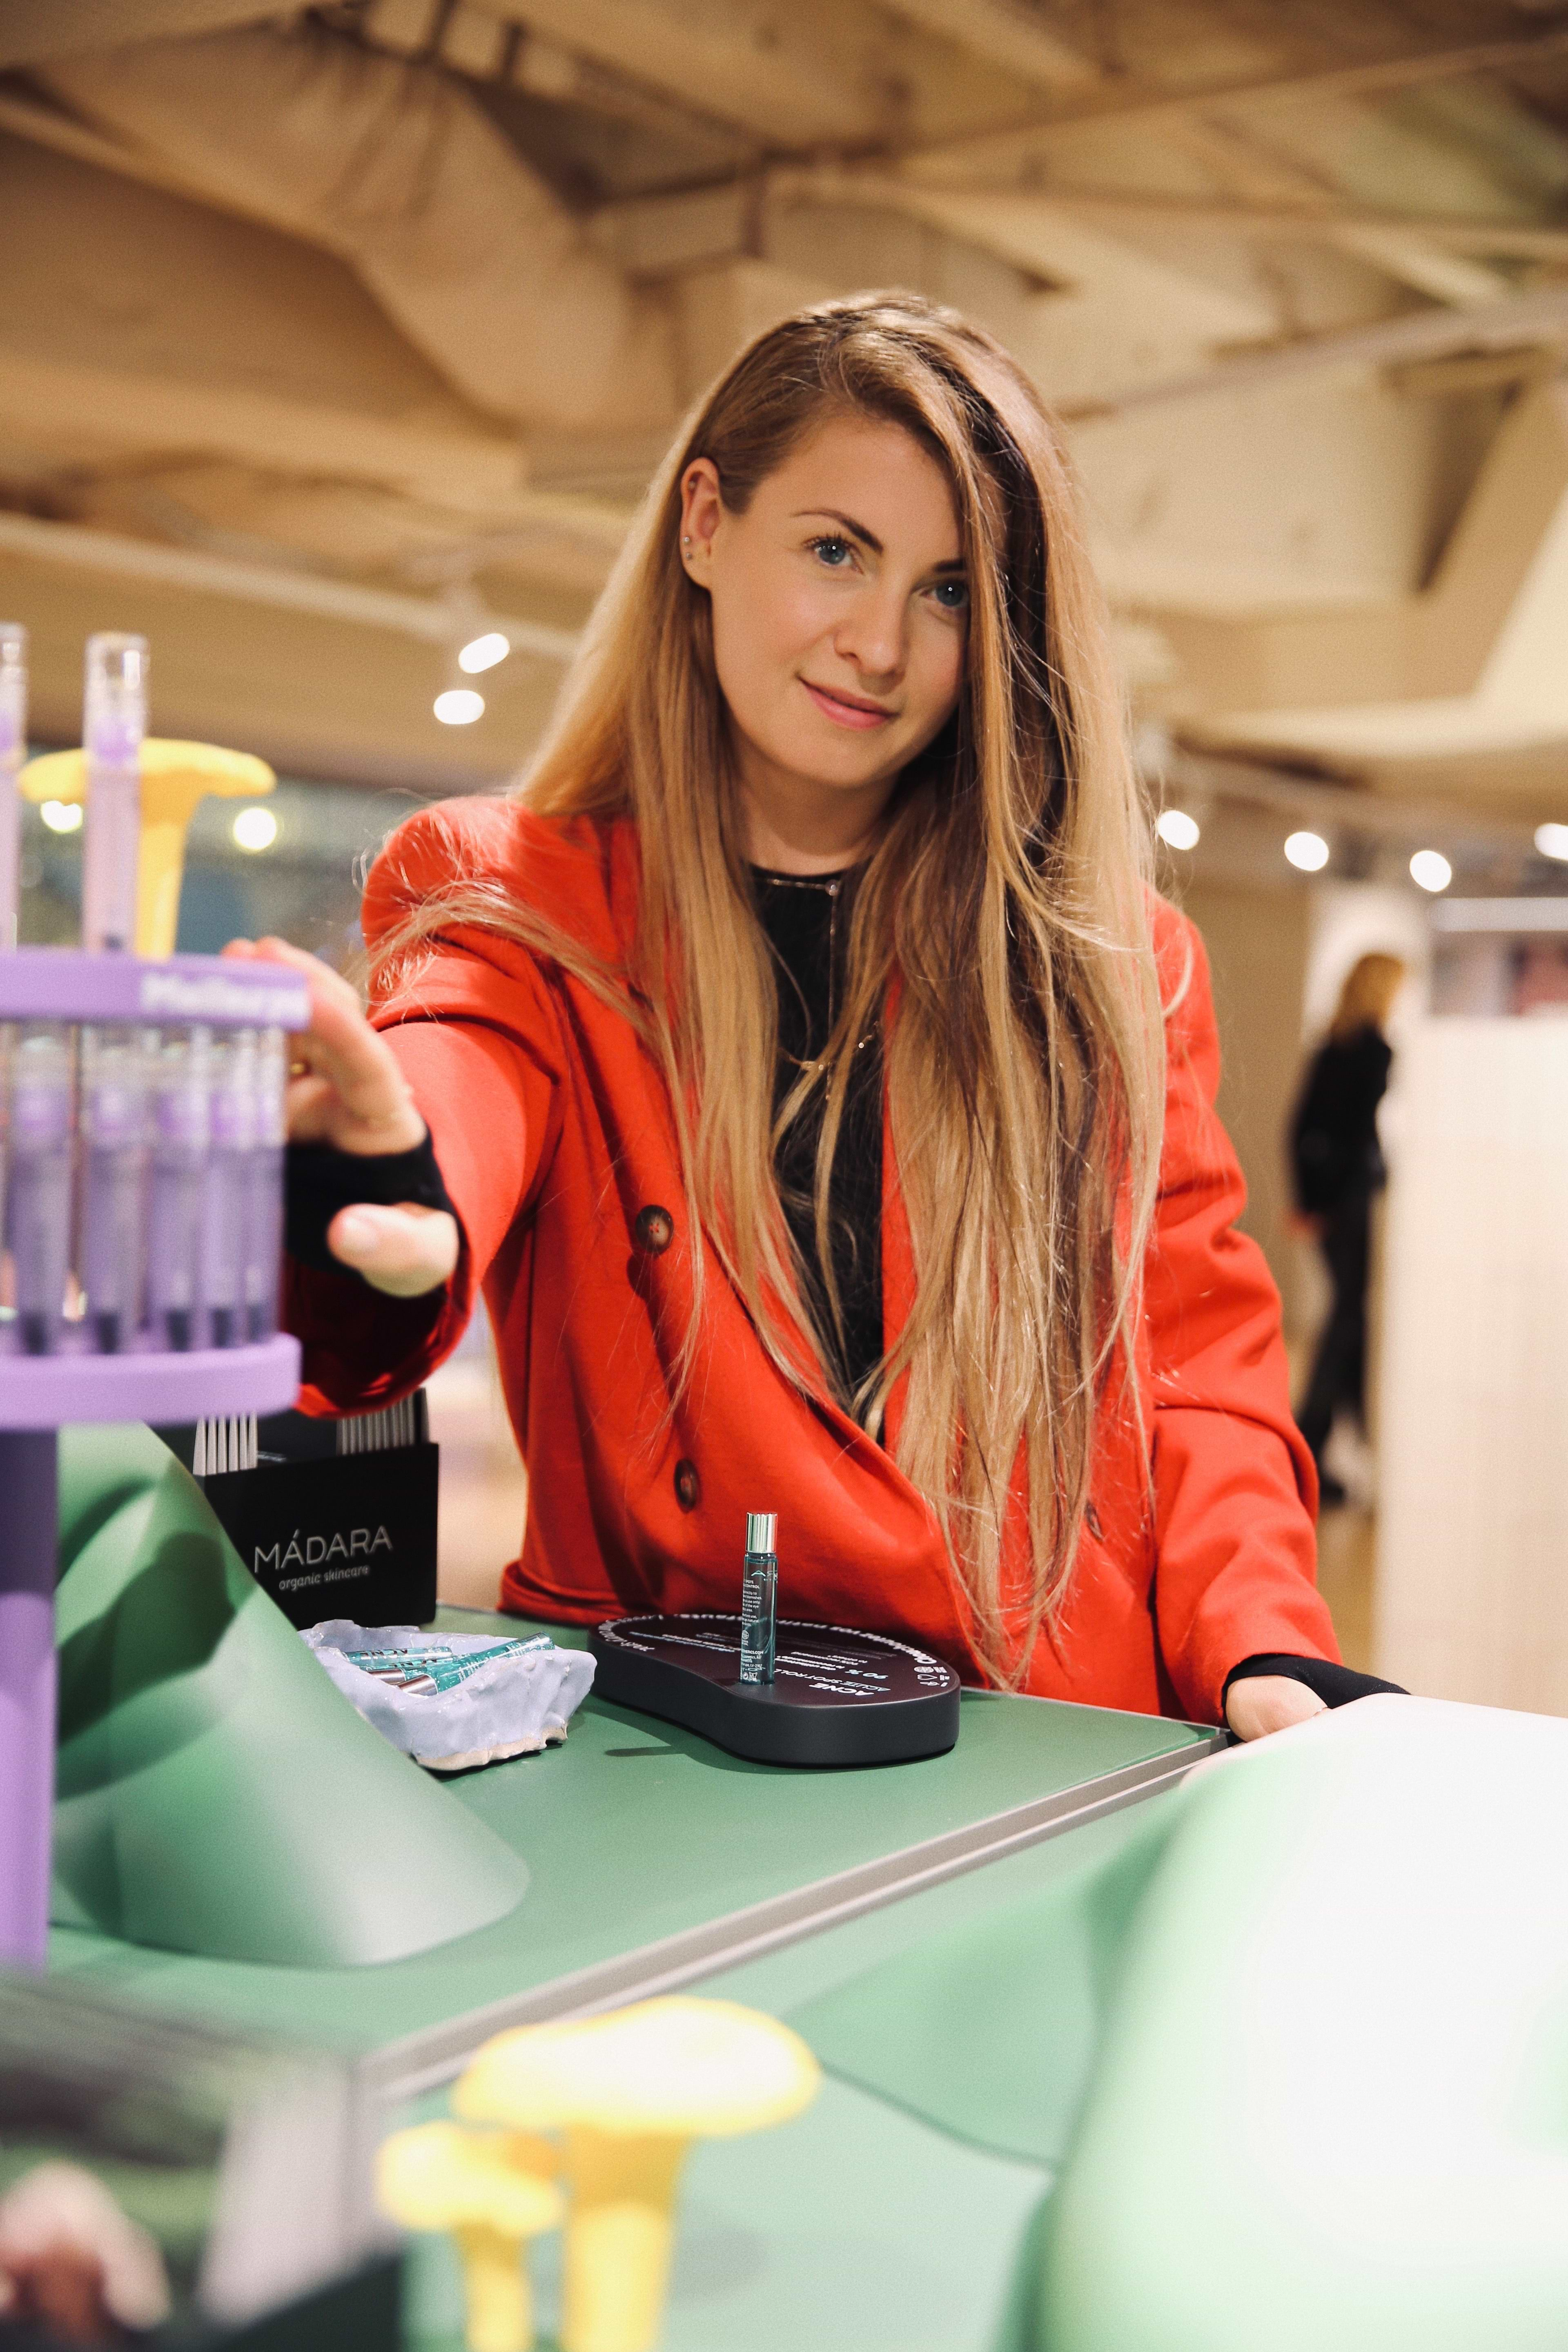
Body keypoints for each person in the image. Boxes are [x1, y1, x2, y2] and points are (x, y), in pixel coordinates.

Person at [233, 293, 1400, 1740]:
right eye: (837, 551)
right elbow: (460, 1072)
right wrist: (392, 1179)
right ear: (707, 523)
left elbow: (1199, 1366)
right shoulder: (518, 892)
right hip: (675, 1743)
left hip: (1043, 1741)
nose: (882, 645)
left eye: (952, 590)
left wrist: (1260, 1641)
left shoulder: (1111, 965)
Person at [1289, 952, 1405, 1506]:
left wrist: (1308, 1200)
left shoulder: (1333, 1045)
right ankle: (1312, 1443)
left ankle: (1322, 1447)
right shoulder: (1375, 1052)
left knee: (1346, 1318)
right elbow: (1355, 1136)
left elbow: (1302, 1127)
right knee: (1347, 1322)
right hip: (1353, 1202)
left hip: (1334, 1201)